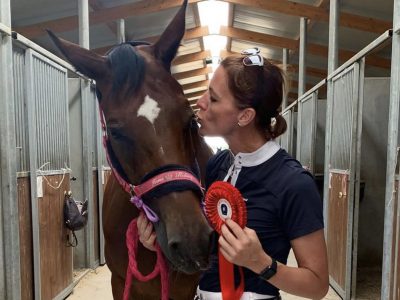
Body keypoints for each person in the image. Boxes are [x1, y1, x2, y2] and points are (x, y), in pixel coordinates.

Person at [137, 48, 329, 300]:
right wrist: (158, 244)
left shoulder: (293, 183)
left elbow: (317, 285)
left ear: (245, 115)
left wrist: (261, 263)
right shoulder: (218, 165)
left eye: (214, 98)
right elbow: (209, 252)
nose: (201, 102)